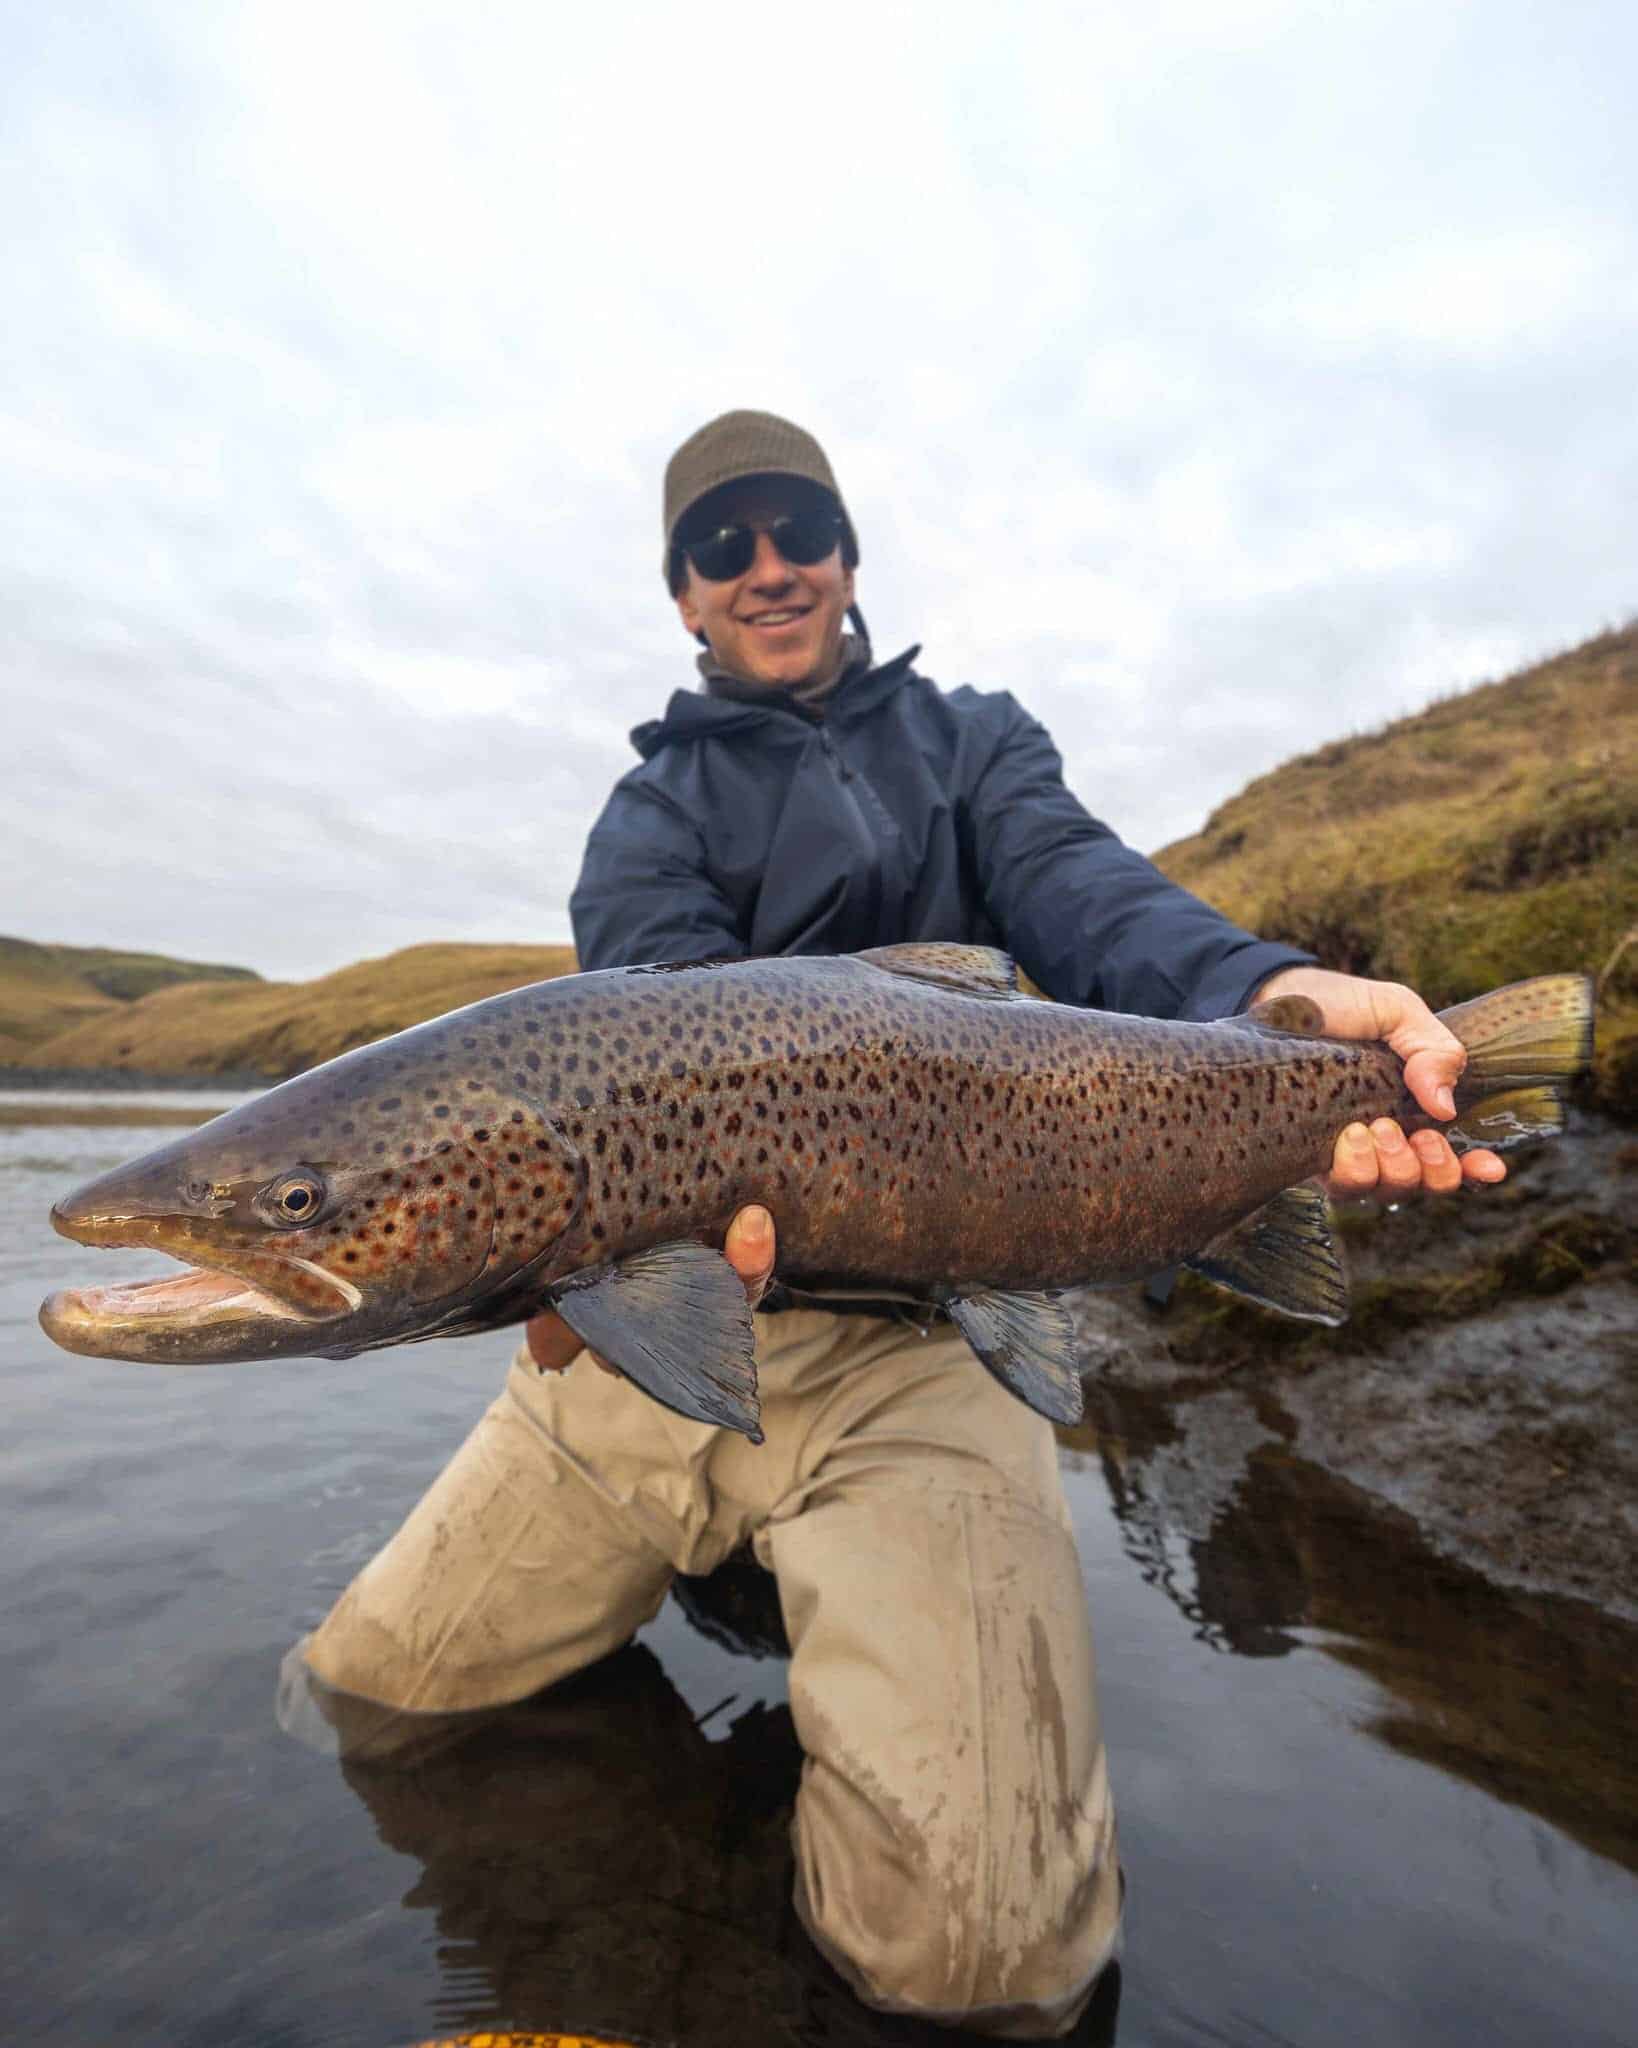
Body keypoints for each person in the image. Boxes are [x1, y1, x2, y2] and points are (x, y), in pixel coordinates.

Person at [291, 411, 1505, 2040]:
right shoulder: (650, 809)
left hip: (930, 1353)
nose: (767, 567)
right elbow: (659, 1017)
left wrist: (1270, 994)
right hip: (643, 1329)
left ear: (848, 558)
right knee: (369, 1695)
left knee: (991, 1971)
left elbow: (1088, 894)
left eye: (797, 530)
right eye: (720, 546)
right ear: (683, 596)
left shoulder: (973, 745)